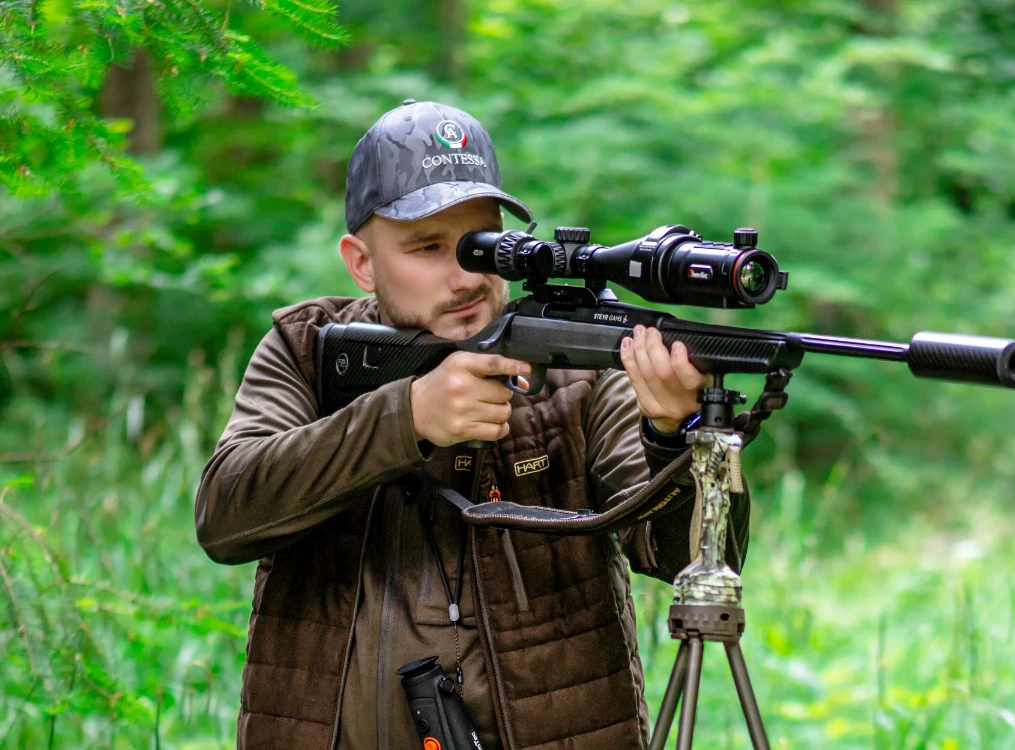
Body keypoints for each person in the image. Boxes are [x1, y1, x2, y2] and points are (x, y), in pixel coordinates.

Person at [194, 100, 752, 749]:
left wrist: (675, 435)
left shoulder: (575, 367)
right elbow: (225, 514)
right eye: (427, 247)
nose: (464, 276)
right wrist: (407, 418)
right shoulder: (307, 348)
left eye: (482, 246)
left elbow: (690, 557)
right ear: (362, 262)